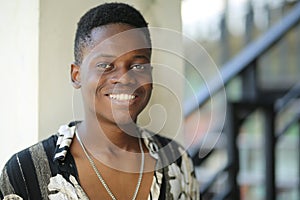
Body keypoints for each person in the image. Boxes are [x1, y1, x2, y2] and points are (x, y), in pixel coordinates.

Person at [0, 2, 199, 200]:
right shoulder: (24, 173)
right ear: (76, 75)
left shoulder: (178, 162)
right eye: (105, 65)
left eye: (138, 66)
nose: (124, 78)